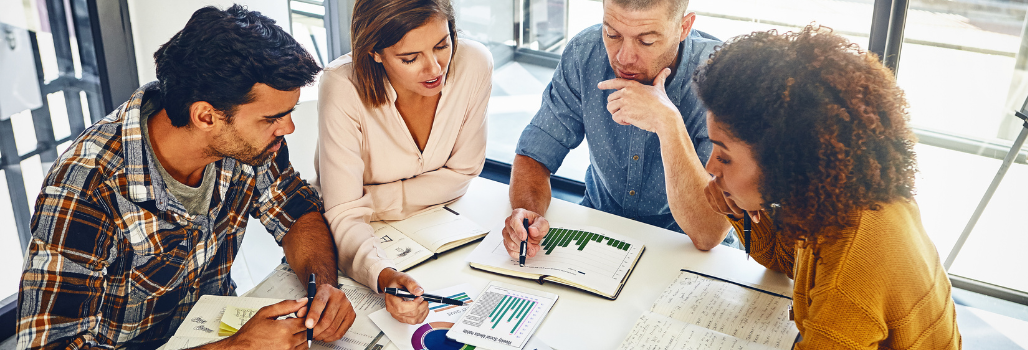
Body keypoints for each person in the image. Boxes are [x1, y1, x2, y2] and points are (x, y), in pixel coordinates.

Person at [16, 5, 424, 349]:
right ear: (206, 116)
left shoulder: (248, 145)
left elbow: (297, 212)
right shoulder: (85, 189)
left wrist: (323, 287)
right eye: (272, 118)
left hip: (216, 327)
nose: (287, 130)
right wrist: (239, 346)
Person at [696, 25, 961, 348]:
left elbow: (836, 291)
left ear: (782, 159)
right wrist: (741, 210)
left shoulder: (850, 271)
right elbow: (787, 261)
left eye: (724, 157)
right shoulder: (841, 200)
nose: (710, 167)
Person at [502, 0, 733, 259]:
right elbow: (535, 154)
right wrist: (528, 215)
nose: (623, 58)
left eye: (646, 41)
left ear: (684, 27)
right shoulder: (584, 53)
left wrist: (668, 123)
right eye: (612, 34)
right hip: (600, 232)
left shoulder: (723, 78)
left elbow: (708, 234)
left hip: (687, 249)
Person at [313, 0, 490, 310]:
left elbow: (463, 173)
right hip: (361, 242)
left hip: (446, 233)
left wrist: (368, 202)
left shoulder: (474, 63)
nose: (435, 69)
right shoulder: (342, 87)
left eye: (442, 45)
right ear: (375, 53)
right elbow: (342, 216)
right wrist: (382, 273)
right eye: (410, 58)